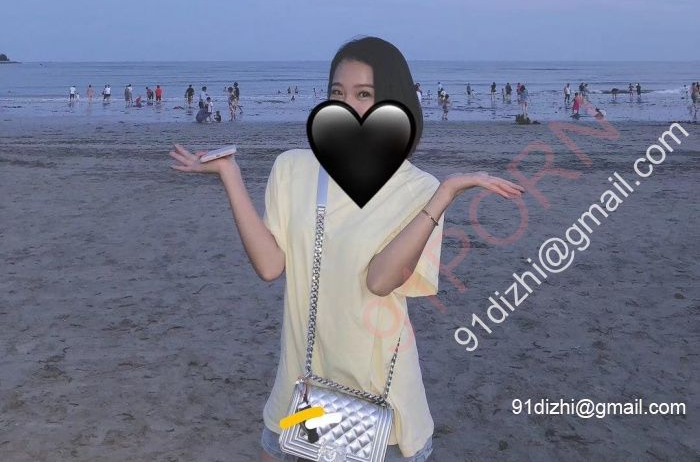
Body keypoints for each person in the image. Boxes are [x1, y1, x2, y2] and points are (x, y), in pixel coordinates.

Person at [168, 36, 524, 462]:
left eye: (364, 95)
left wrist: (444, 194)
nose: (348, 105)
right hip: (300, 396)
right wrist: (230, 175)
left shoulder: (419, 188)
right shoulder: (293, 168)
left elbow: (380, 281)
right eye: (338, 93)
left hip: (379, 407)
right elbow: (269, 265)